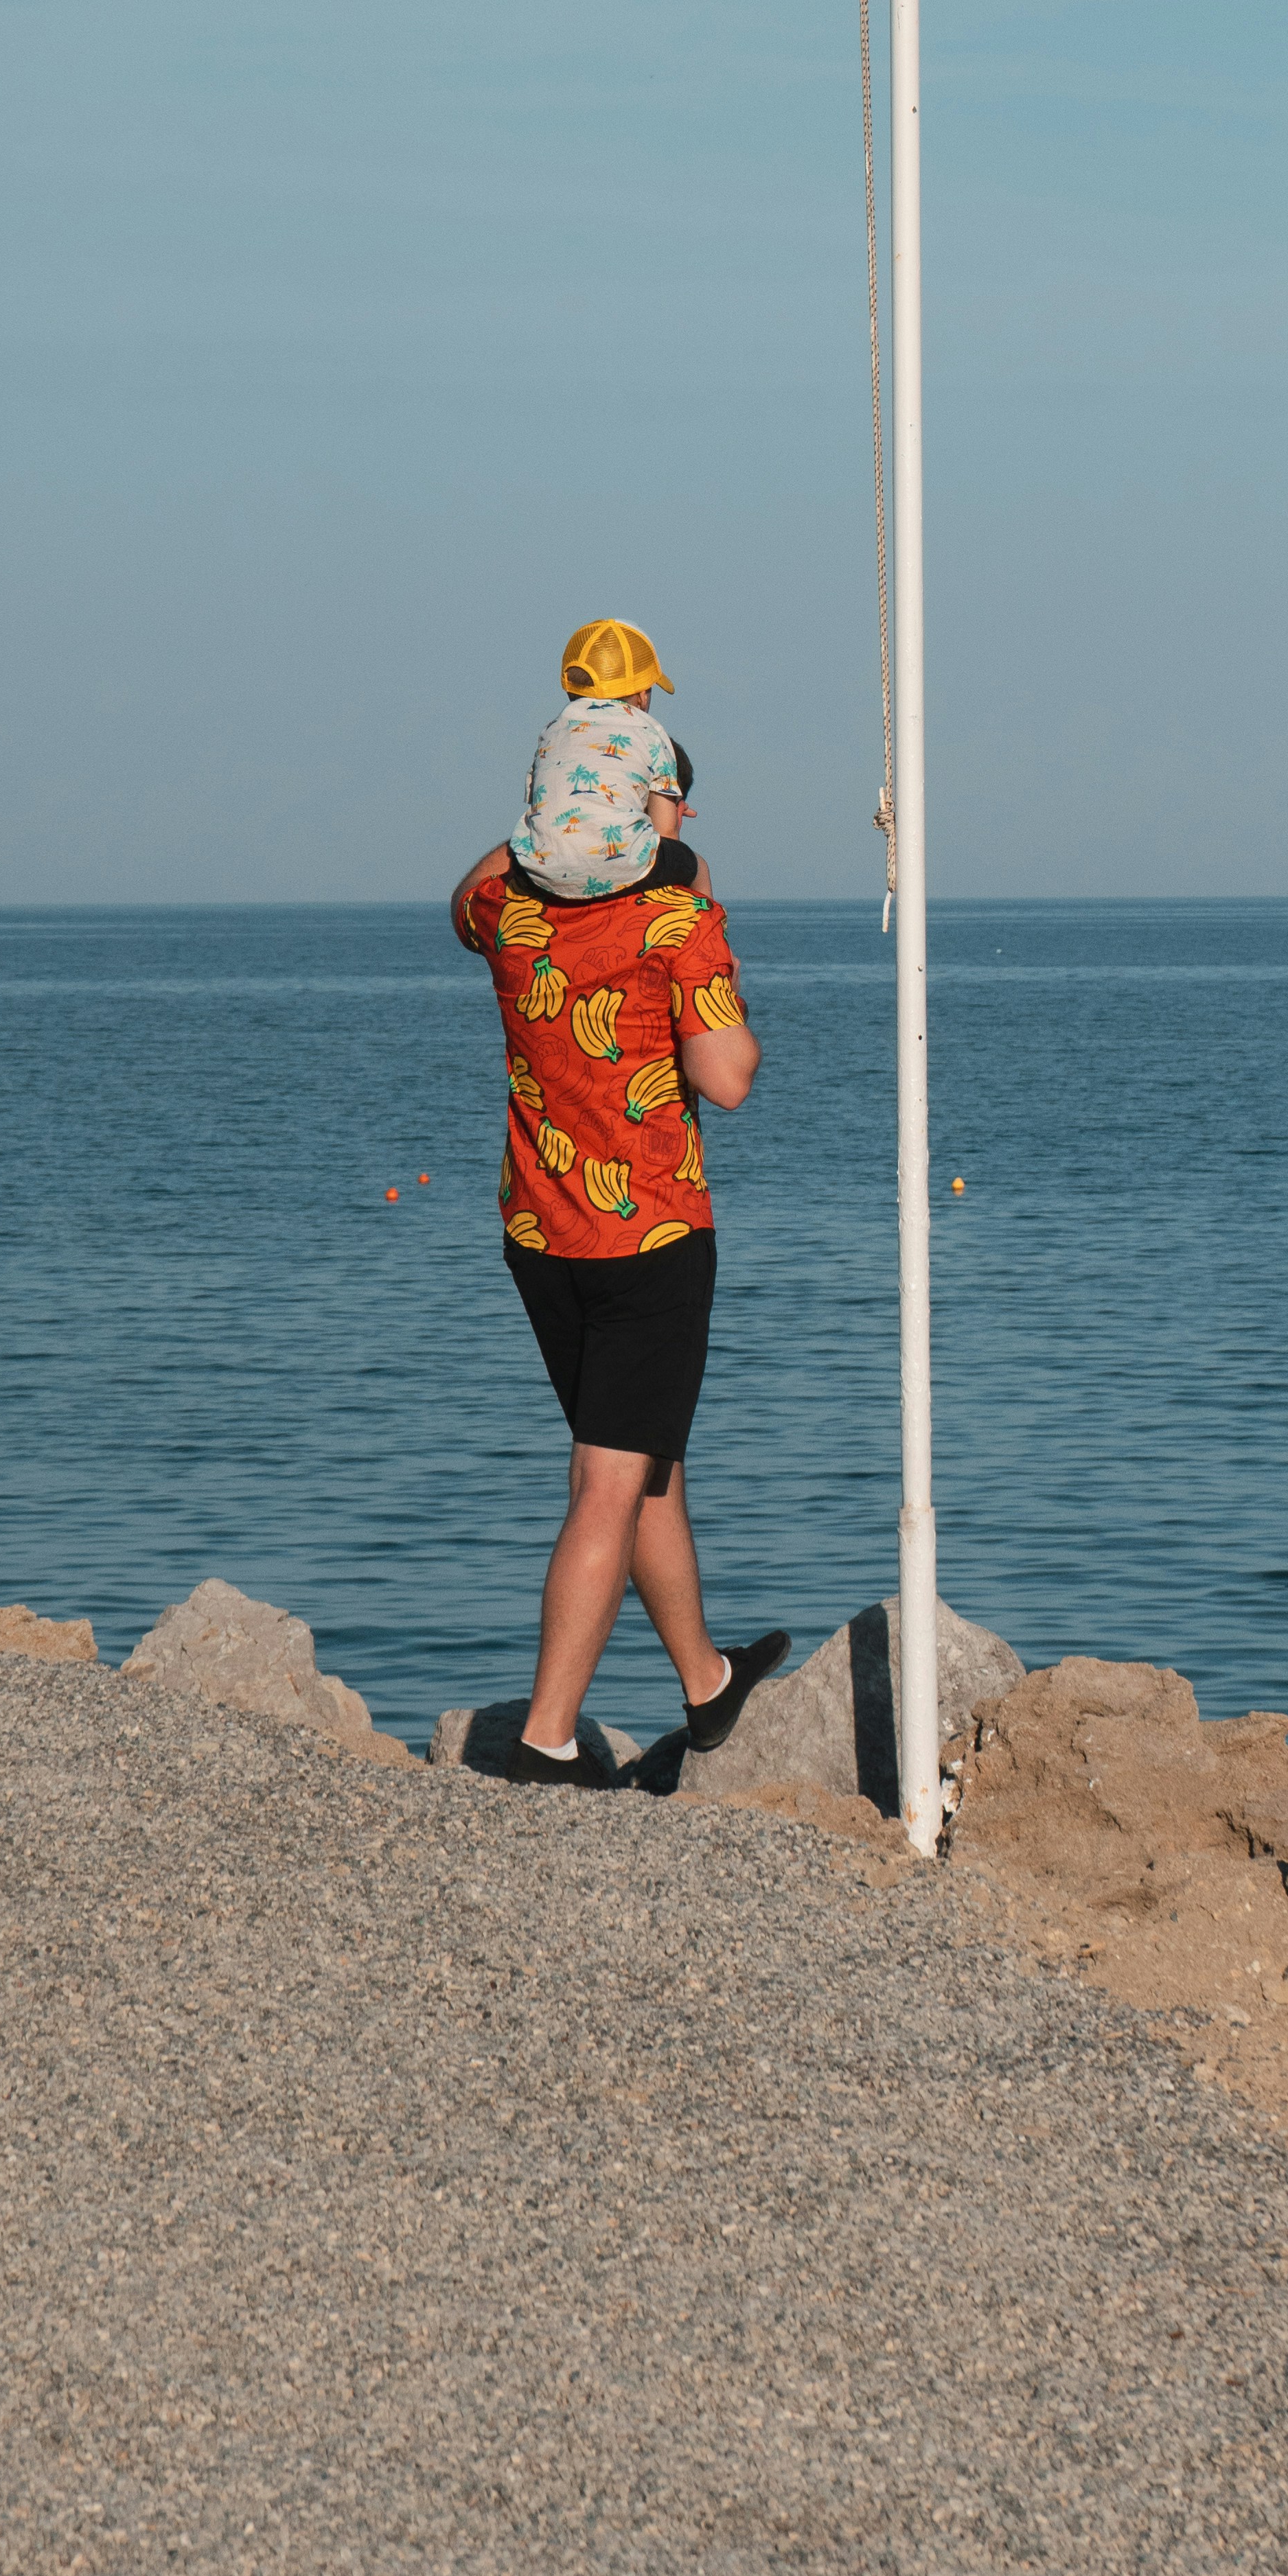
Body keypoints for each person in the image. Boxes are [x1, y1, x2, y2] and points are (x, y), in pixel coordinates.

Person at [450, 671, 785, 1789]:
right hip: (647, 1242)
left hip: (539, 1238)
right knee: (609, 1476)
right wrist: (686, 884)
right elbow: (726, 1078)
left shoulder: (508, 914)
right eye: (670, 798)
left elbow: (477, 881)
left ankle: (706, 1683)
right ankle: (548, 1740)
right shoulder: (675, 917)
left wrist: (556, 816)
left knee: (647, 1465)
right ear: (646, 806)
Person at [509, 618, 699, 901]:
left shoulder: (551, 731)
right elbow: (666, 829)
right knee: (695, 864)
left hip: (541, 872)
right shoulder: (650, 730)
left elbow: (540, 808)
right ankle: (705, 930)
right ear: (643, 694)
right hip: (624, 866)